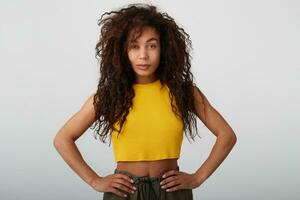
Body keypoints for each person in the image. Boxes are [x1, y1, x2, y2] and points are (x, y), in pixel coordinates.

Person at [53, 3, 237, 200]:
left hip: (172, 192)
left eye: (151, 45)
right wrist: (94, 180)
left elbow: (226, 134)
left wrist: (198, 178)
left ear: (164, 48)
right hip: (125, 192)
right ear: (123, 51)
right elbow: (63, 139)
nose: (143, 55)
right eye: (134, 46)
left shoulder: (184, 92)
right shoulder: (109, 95)